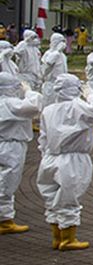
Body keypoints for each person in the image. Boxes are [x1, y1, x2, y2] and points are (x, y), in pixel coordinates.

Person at [37, 73, 93, 250]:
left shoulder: (49, 110)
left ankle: (56, 236)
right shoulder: (79, 107)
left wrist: (45, 155)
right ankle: (68, 239)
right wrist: (91, 93)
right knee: (69, 197)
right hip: (73, 159)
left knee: (51, 197)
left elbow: (43, 138)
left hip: (50, 157)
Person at [0, 73, 41, 234]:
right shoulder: (10, 104)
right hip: (11, 146)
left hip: (5, 143)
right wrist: (29, 91)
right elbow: (35, 105)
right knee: (8, 181)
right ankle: (5, 219)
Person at [39, 32, 68, 101]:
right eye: (61, 42)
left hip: (61, 85)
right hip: (51, 85)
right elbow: (47, 65)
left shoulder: (63, 55)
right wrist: (57, 52)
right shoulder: (49, 54)